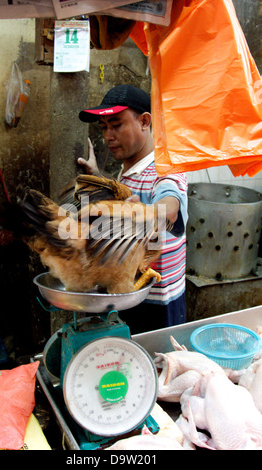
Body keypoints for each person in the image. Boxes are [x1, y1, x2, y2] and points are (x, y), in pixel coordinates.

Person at [78, 84, 188, 334]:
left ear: (144, 121)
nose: (108, 136)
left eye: (117, 125)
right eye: (104, 127)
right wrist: (98, 176)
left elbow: (169, 207)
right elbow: (130, 195)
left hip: (158, 305)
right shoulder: (130, 170)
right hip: (130, 295)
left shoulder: (166, 169)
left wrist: (148, 213)